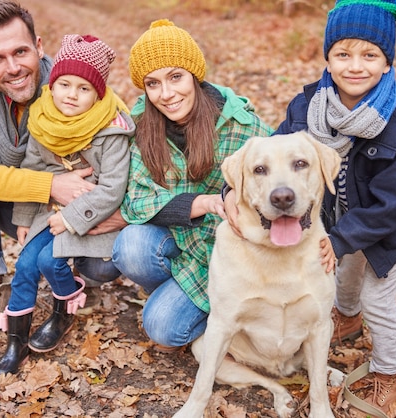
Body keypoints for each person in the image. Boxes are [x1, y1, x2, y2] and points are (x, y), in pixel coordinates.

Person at [268, 0, 396, 415]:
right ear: (328, 58)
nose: (355, 66)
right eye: (343, 54)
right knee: (343, 270)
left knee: (377, 296)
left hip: (394, 225)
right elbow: (277, 149)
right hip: (343, 217)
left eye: (369, 55)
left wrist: (340, 239)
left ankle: (390, 374)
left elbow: (392, 203)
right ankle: (346, 314)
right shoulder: (306, 109)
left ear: (387, 64)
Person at [0, 0, 120, 356]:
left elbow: (126, 151)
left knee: (106, 261)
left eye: (20, 51)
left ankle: (79, 277)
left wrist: (107, 208)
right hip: (28, 210)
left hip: (86, 212)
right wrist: (49, 186)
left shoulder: (75, 84)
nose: (13, 68)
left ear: (39, 47)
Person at [110, 19, 273, 351]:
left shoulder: (240, 126)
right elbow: (137, 200)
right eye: (153, 84)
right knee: (131, 246)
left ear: (194, 76)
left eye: (175, 77)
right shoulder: (142, 125)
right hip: (179, 241)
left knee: (162, 328)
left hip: (227, 255)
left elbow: (275, 183)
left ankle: (222, 312)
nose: (166, 94)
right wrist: (206, 202)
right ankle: (176, 293)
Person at [0, 34, 134, 376]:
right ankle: (16, 341)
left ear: (97, 94)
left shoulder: (111, 130)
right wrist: (25, 216)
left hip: (92, 218)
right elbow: (32, 169)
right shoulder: (42, 120)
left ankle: (63, 310)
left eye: (84, 89)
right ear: (52, 85)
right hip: (47, 213)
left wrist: (70, 218)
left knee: (48, 260)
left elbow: (114, 189)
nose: (72, 94)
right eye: (65, 84)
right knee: (26, 265)